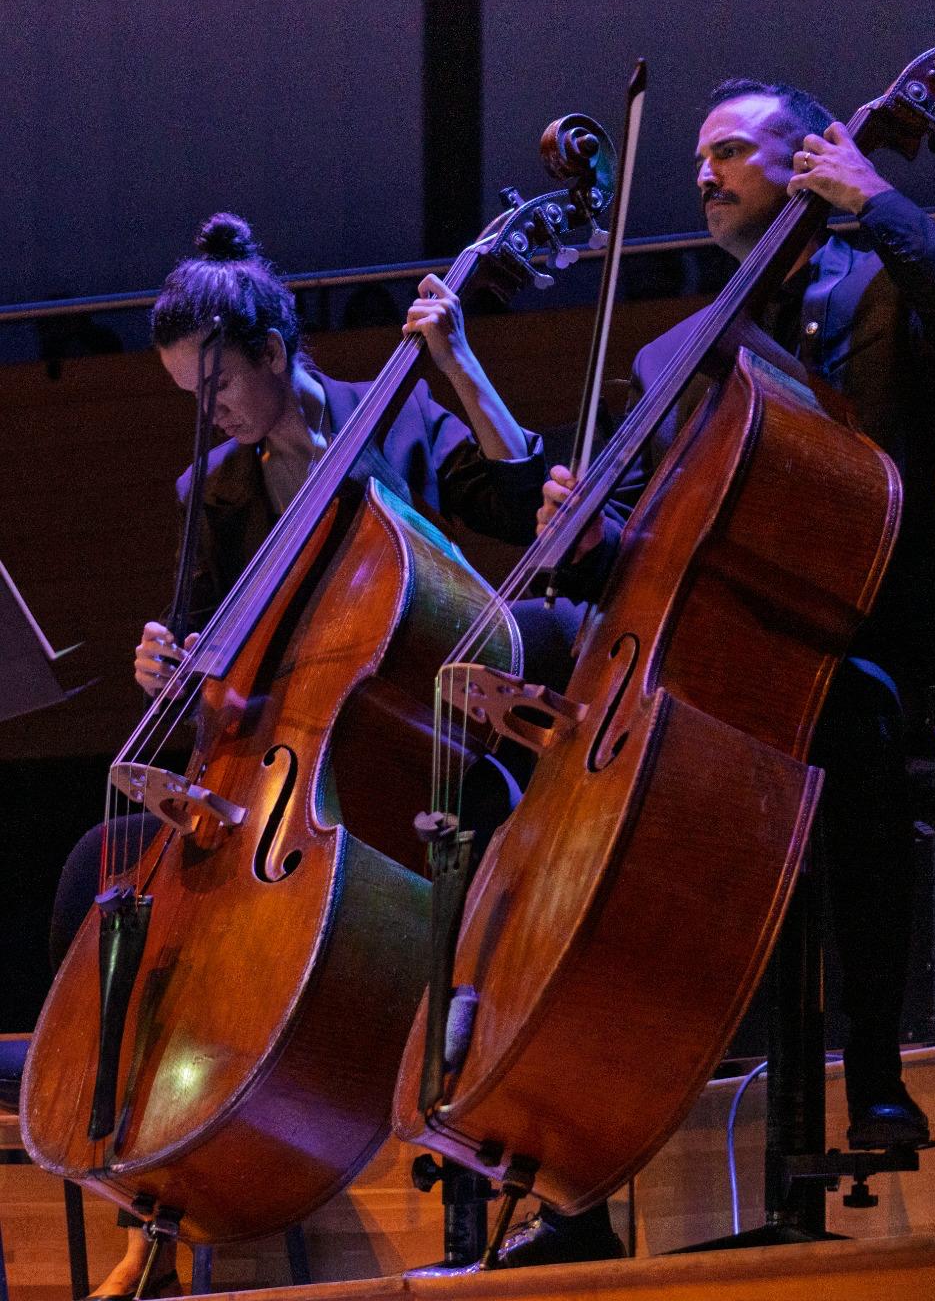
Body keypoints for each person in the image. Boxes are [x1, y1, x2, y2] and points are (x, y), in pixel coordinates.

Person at [511, 77, 935, 1267]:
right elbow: (629, 549)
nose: (701, 173)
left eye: (731, 149)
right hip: (708, 666)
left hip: (861, 629)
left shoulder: (879, 278)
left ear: (804, 161)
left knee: (854, 712)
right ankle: (577, 1177)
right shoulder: (678, 350)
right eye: (695, 157)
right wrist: (583, 517)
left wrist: (877, 195)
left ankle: (876, 1063)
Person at [51, 212, 546, 1299]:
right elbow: (209, 672)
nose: (210, 418)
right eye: (193, 400)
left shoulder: (402, 420)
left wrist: (458, 365)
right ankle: (146, 1191)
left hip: (423, 744)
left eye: (218, 391)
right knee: (98, 867)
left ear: (277, 351)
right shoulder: (218, 492)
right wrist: (169, 665)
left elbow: (519, 508)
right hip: (287, 771)